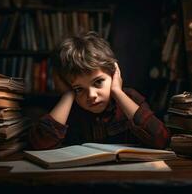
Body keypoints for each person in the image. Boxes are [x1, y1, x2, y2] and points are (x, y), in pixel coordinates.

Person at [28, 31, 170, 150]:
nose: (91, 95)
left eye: (98, 82)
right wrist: (68, 94)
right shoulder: (70, 109)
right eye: (79, 89)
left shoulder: (130, 98)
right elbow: (40, 145)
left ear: (114, 73)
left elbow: (161, 139)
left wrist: (118, 92)